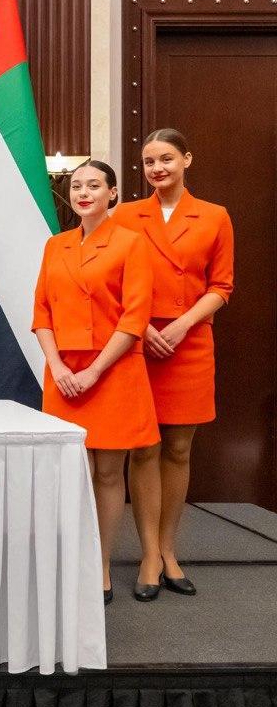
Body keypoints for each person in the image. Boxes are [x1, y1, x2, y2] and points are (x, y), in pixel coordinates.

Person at [33, 159, 162, 604]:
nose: (83, 193)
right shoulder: (56, 245)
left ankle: (101, 563)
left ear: (113, 194)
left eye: (93, 185)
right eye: (76, 186)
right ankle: (72, 559)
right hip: (64, 374)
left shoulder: (130, 243)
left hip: (113, 370)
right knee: (73, 472)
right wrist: (58, 366)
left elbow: (134, 317)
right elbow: (41, 312)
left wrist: (94, 370)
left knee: (108, 472)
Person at [112, 129, 234, 597]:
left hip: (189, 341)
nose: (157, 168)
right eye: (149, 161)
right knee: (143, 448)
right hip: (138, 340)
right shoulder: (126, 215)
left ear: (187, 159)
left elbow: (221, 286)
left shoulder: (214, 216)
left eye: (166, 158)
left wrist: (181, 326)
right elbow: (113, 281)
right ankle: (147, 554)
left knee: (179, 449)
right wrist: (142, 327)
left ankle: (168, 549)